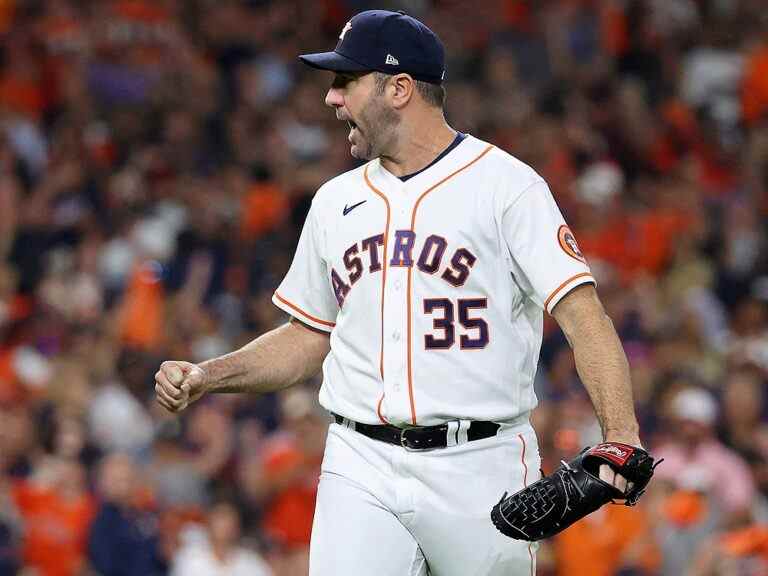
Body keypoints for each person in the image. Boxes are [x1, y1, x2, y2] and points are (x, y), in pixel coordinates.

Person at [155, 9, 643, 575]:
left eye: (346, 81)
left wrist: (621, 436)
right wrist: (207, 375)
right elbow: (307, 337)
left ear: (399, 89)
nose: (331, 99)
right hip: (360, 460)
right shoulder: (334, 202)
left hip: (480, 462)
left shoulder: (506, 187)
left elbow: (584, 317)